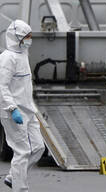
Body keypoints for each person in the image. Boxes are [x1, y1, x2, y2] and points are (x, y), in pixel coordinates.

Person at [0, 20, 45, 192]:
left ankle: (13, 177)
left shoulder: (23, 53)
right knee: (22, 151)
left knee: (38, 147)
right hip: (12, 112)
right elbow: (2, 87)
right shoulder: (7, 59)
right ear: (16, 37)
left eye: (30, 36)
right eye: (26, 36)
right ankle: (20, 189)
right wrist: (12, 109)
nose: (29, 39)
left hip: (28, 110)